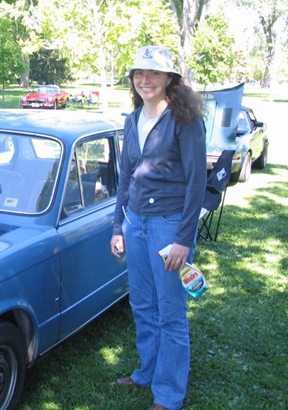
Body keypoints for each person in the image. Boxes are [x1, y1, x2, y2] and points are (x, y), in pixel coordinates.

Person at [110, 46, 206, 410]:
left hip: (169, 226)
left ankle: (168, 395)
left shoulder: (185, 120)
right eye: (139, 73)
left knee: (170, 311)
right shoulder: (132, 119)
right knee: (143, 304)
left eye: (153, 73)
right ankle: (147, 372)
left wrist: (184, 239)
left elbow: (197, 182)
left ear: (169, 79)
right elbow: (126, 176)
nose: (145, 80)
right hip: (135, 224)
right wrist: (118, 224)